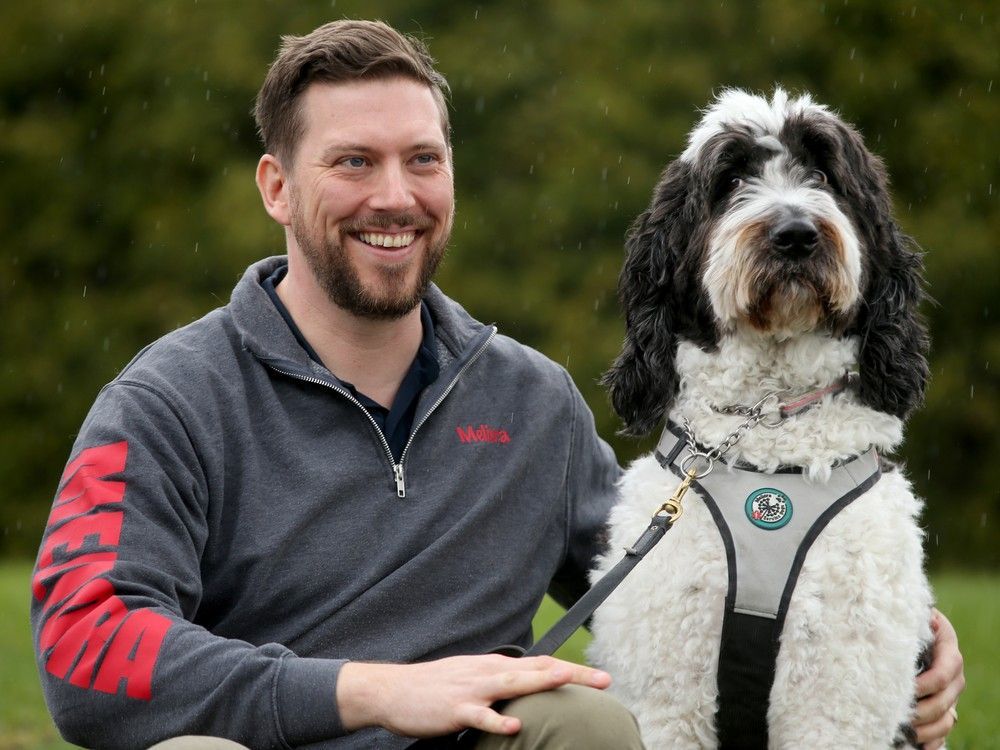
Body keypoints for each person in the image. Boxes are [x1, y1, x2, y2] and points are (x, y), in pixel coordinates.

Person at [30, 19, 963, 750]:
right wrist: (365, 691)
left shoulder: (529, 401)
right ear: (276, 186)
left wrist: (908, 645)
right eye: (353, 161)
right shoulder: (167, 401)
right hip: (262, 741)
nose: (393, 196)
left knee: (591, 726)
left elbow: (686, 559)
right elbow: (83, 649)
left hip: (473, 747)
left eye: (421, 160)